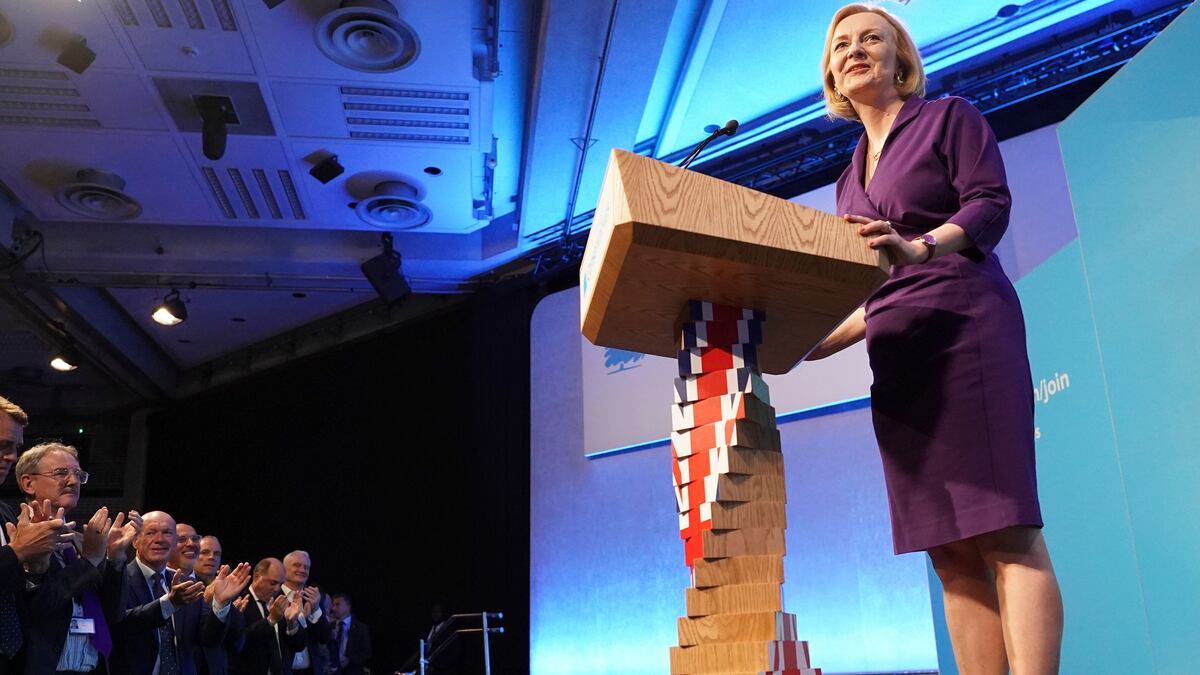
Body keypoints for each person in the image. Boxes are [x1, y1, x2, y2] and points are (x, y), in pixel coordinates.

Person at [808, 5, 1063, 673]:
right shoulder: (845, 181)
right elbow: (879, 290)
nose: (854, 49)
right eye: (841, 44)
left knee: (1005, 531)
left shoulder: (950, 117)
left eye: (872, 38)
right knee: (948, 551)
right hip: (899, 363)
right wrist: (812, 341)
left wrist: (919, 246)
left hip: (964, 331)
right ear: (831, 73)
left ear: (900, 58)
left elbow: (989, 203)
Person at [15, 442, 138, 674]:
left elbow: (114, 613)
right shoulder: (15, 537)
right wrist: (89, 561)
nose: (73, 481)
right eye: (61, 473)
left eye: (79, 475)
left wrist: (115, 557)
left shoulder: (83, 541)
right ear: (28, 483)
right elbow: (36, 608)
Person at [110, 511, 249, 675]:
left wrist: (220, 604)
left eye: (167, 533)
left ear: (175, 541)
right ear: (135, 541)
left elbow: (208, 640)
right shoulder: (118, 578)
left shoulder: (188, 584)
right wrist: (169, 604)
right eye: (150, 533)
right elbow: (117, 625)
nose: (160, 539)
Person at [0, 397, 73, 674]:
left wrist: (36, 571)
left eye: (15, 447)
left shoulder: (5, 513)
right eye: (3, 445)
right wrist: (17, 553)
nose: (12, 457)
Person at [231, 558, 304, 675]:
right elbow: (238, 642)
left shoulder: (281, 601)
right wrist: (271, 620)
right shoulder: (238, 600)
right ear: (256, 577)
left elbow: (299, 646)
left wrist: (292, 623)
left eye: (281, 584)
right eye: (273, 583)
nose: (277, 589)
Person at [279, 551, 329, 675]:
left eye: (306, 567)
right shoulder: (274, 595)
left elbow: (325, 637)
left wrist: (316, 609)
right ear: (283, 569)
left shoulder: (313, 597)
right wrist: (301, 618)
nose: (302, 570)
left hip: (311, 671)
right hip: (282, 669)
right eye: (297, 565)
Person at [323, 593, 369, 675]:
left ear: (348, 606)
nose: (333, 608)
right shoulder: (328, 626)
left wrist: (349, 660)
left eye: (337, 604)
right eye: (333, 605)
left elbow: (366, 652)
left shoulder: (361, 628)